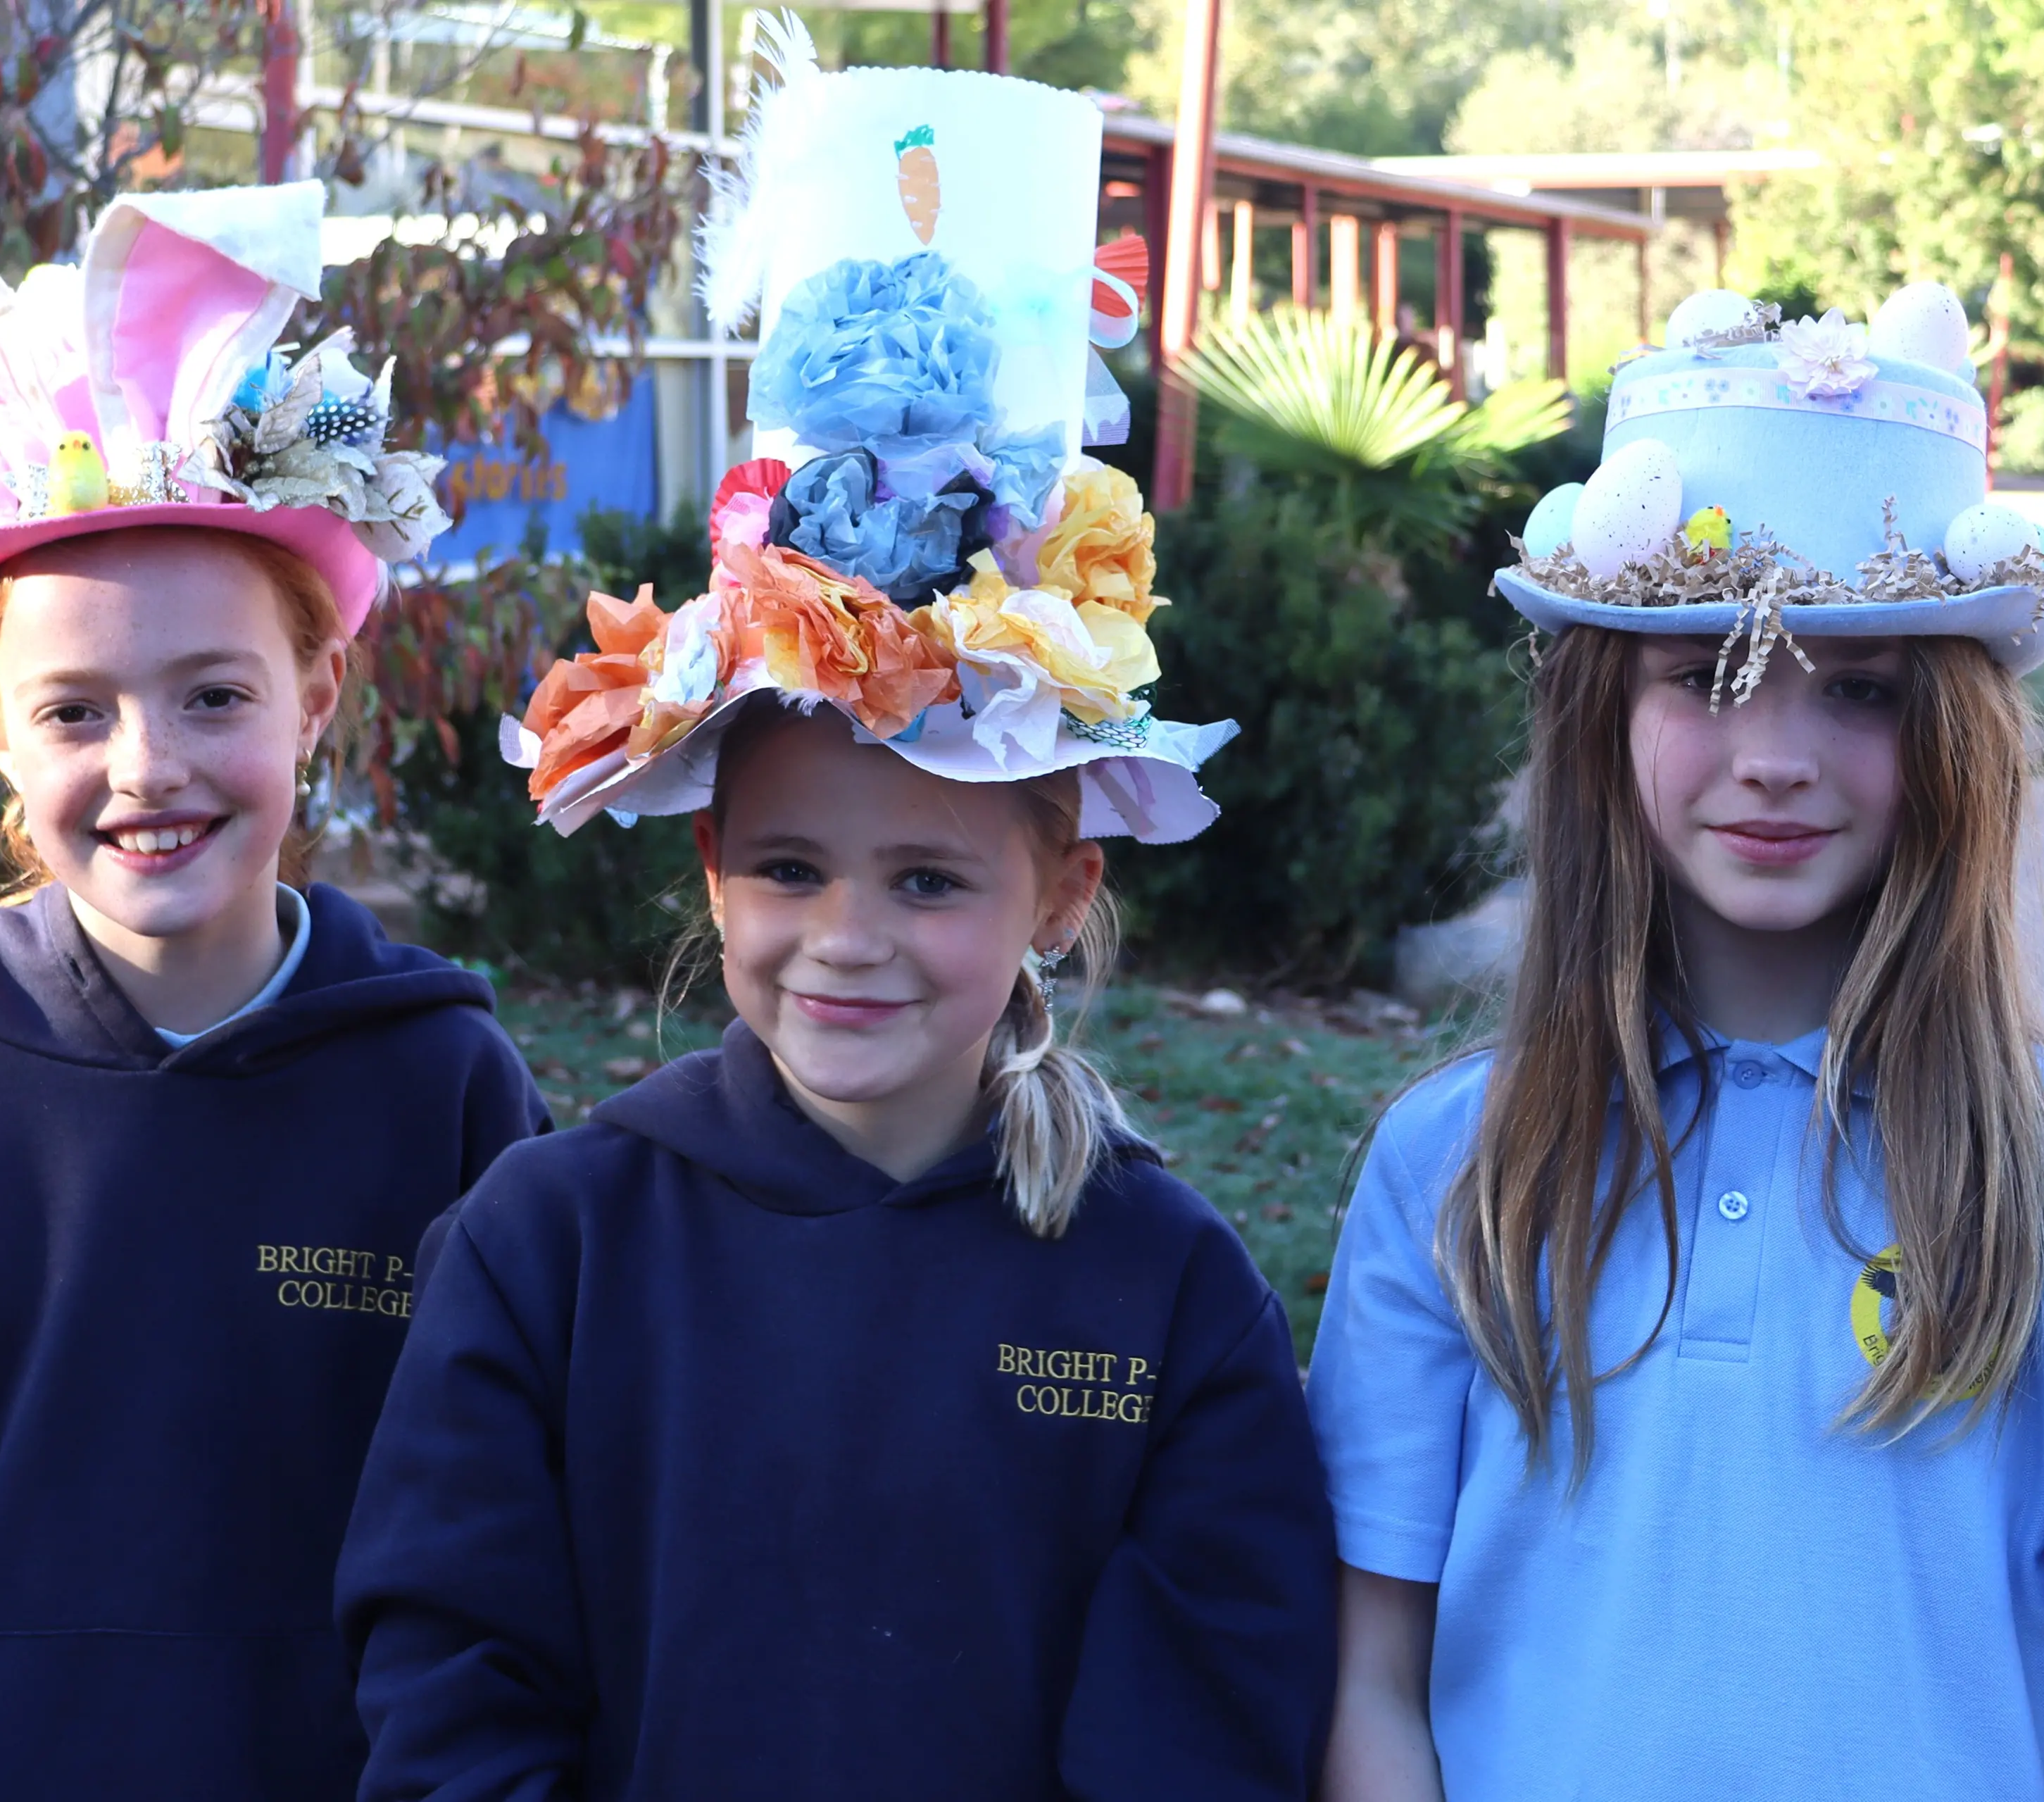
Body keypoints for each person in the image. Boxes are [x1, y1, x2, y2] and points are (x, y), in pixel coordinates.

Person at [334, 23, 1337, 1798]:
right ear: (711, 867)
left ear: (1060, 888)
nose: (848, 935)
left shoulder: (1161, 1282)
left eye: (931, 875)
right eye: (790, 869)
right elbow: (454, 1667)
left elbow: (1214, 1694)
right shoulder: (550, 1249)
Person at [1309, 284, 2044, 1802]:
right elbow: (1371, 1691)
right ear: (1601, 718)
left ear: (1956, 742)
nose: (1777, 756)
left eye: (1859, 690)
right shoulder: (1455, 1162)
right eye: (1707, 675)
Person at [0, 107, 545, 1801]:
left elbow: (509, 1538)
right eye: (76, 709)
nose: (148, 764)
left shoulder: (442, 1085)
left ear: (317, 695)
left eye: (215, 693)